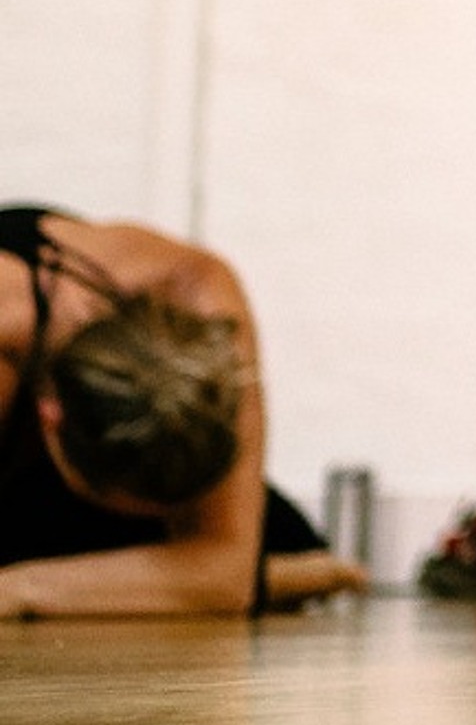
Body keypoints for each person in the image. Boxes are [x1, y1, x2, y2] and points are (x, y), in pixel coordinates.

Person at [0, 206, 364, 617]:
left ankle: (268, 571)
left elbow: (229, 574)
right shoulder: (8, 328)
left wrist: (22, 589)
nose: (175, 518)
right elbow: (221, 574)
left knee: (289, 537)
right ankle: (273, 577)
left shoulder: (200, 295)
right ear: (50, 416)